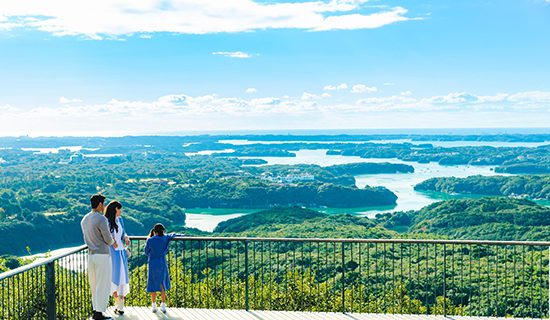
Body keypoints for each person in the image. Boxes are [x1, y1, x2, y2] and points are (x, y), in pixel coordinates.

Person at [81, 194, 116, 320]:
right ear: (100, 204)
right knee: (103, 284)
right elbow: (108, 239)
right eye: (103, 204)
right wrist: (113, 241)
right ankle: (99, 313)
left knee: (94, 284)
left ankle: (96, 311)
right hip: (102, 255)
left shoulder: (84, 219)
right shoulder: (101, 219)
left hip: (91, 255)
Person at [144, 223, 180, 313]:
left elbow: (146, 252)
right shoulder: (165, 238)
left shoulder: (150, 240)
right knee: (162, 283)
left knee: (152, 282)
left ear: (154, 231)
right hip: (162, 262)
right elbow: (172, 235)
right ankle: (163, 305)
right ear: (163, 231)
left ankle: (153, 305)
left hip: (153, 263)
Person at [104, 201, 130, 315]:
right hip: (113, 253)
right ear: (115, 209)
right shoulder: (107, 222)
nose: (121, 211)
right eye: (120, 209)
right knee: (115, 278)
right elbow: (106, 236)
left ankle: (120, 305)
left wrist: (126, 237)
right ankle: (120, 305)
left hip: (121, 252)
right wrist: (112, 241)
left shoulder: (120, 220)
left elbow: (123, 232)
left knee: (123, 278)